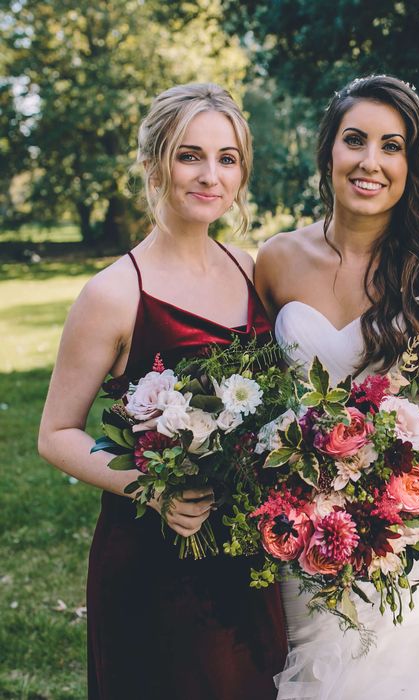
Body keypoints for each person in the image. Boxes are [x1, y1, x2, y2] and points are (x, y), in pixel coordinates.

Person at [255, 74, 419, 699]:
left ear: (411, 162)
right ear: (328, 152)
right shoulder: (276, 261)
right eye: (355, 140)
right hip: (301, 534)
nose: (370, 161)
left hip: (408, 540)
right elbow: (260, 390)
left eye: (391, 145)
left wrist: (408, 484)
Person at [38, 83, 286, 700]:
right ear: (154, 165)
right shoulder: (115, 293)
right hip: (154, 558)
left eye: (227, 158)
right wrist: (154, 491)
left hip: (251, 550)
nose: (211, 175)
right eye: (189, 155)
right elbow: (55, 434)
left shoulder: (252, 270)